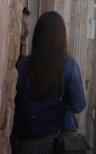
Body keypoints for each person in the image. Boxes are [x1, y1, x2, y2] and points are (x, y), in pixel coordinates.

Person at [12, 11, 87, 154]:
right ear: (61, 38)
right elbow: (79, 105)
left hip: (26, 144)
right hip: (57, 144)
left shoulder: (22, 66)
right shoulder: (68, 66)